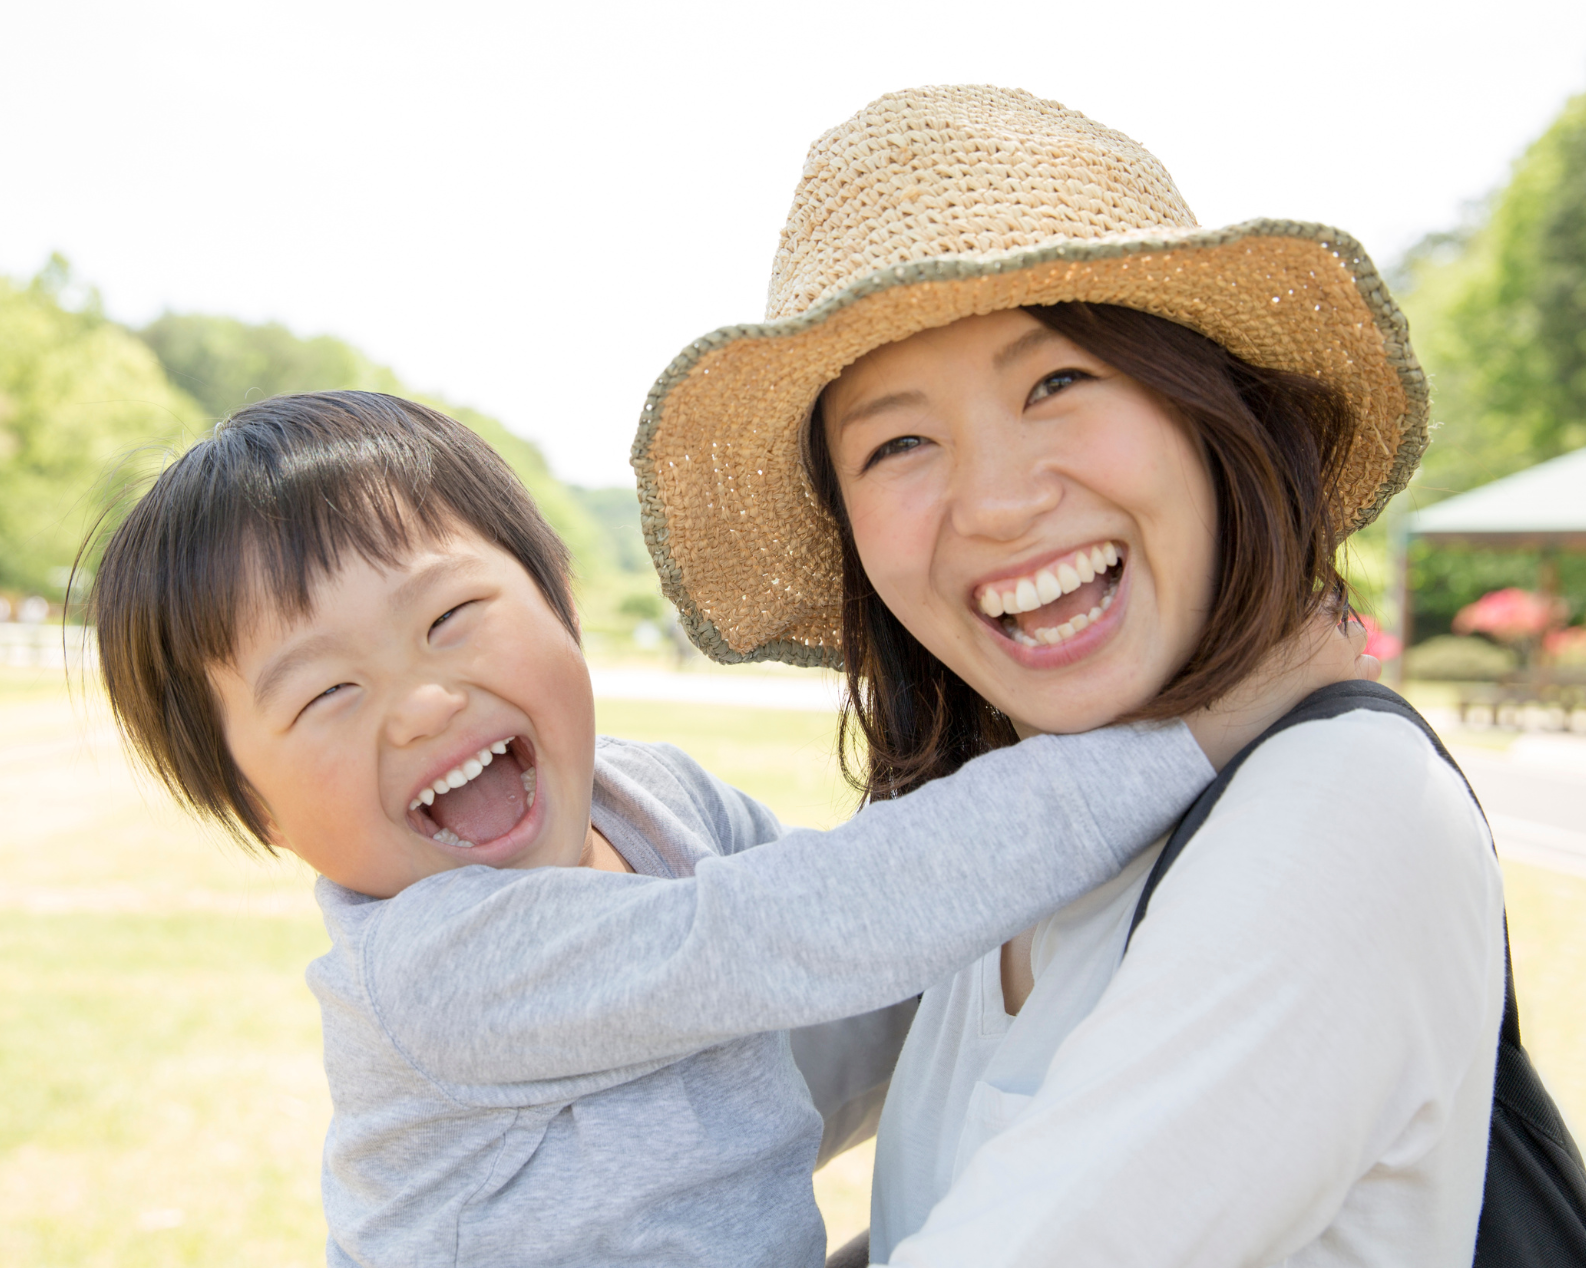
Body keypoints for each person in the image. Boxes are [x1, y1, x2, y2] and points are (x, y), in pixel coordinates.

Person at [84, 389, 1362, 1268]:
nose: (421, 700)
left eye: (450, 618)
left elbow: (863, 994)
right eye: (323, 692)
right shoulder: (434, 969)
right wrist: (1203, 723)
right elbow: (805, 927)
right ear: (253, 807)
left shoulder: (661, 803)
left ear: (559, 597)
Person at [631, 85, 1509, 1266]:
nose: (996, 502)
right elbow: (679, 1119)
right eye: (897, 443)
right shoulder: (994, 831)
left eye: (1057, 383)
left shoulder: (1345, 806)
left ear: (1210, 413)